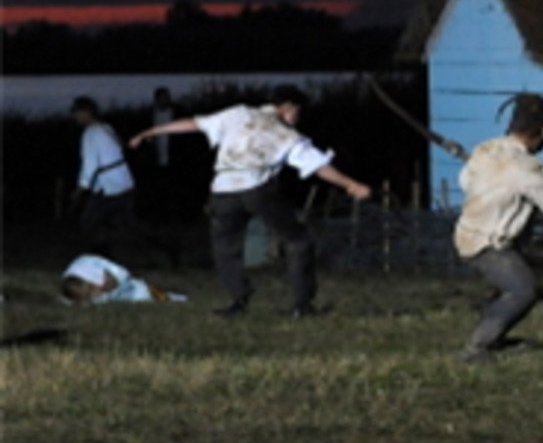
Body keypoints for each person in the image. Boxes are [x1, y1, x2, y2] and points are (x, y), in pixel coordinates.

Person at [128, 85, 373, 318]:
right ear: (288, 107)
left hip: (222, 190)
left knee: (226, 248)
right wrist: (351, 184)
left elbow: (193, 123)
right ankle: (302, 304)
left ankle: (238, 300)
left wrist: (149, 132)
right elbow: (318, 166)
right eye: (298, 112)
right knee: (298, 240)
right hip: (257, 190)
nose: (298, 118)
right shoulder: (286, 134)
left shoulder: (237, 114)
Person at [451, 94, 543, 361]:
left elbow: (465, 182)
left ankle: (494, 338)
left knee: (505, 290)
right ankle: (477, 348)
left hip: (469, 233)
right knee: (522, 290)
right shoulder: (528, 169)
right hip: (487, 244)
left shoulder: (485, 150)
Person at [70, 97, 140, 258]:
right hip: (124, 181)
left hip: (111, 186)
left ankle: (101, 254)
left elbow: (89, 166)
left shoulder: (90, 133)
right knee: (125, 224)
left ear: (86, 113)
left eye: (77, 113)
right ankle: (164, 246)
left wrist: (79, 191)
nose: (75, 117)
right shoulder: (106, 127)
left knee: (89, 222)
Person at [60, 253, 186, 305]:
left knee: (144, 293)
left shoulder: (95, 270)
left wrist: (106, 287)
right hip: (115, 291)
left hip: (124, 282)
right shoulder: (73, 281)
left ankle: (166, 296)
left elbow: (118, 277)